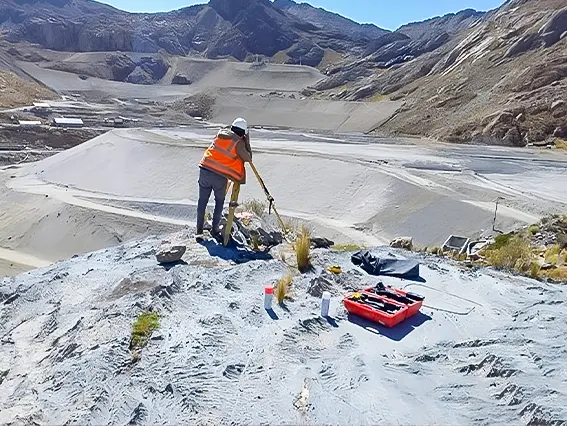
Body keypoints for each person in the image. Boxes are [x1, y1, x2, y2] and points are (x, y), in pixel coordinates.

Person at [196, 117, 252, 241]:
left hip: (204, 168)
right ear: (243, 132)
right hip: (219, 174)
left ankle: (199, 231)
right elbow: (248, 158)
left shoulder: (220, 134)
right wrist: (247, 142)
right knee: (219, 201)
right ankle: (215, 229)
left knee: (202, 201)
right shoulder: (239, 142)